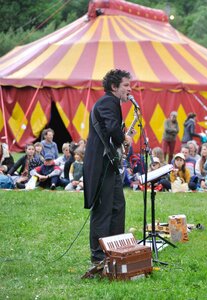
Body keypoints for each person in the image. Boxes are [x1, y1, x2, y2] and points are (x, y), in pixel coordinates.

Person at [83, 69, 131, 265]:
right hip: (100, 165)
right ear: (114, 87)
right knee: (103, 210)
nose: (130, 89)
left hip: (108, 163)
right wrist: (124, 138)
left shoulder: (112, 103)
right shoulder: (107, 102)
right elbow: (112, 129)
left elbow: (109, 129)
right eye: (126, 85)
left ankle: (115, 250)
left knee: (118, 206)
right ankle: (99, 256)